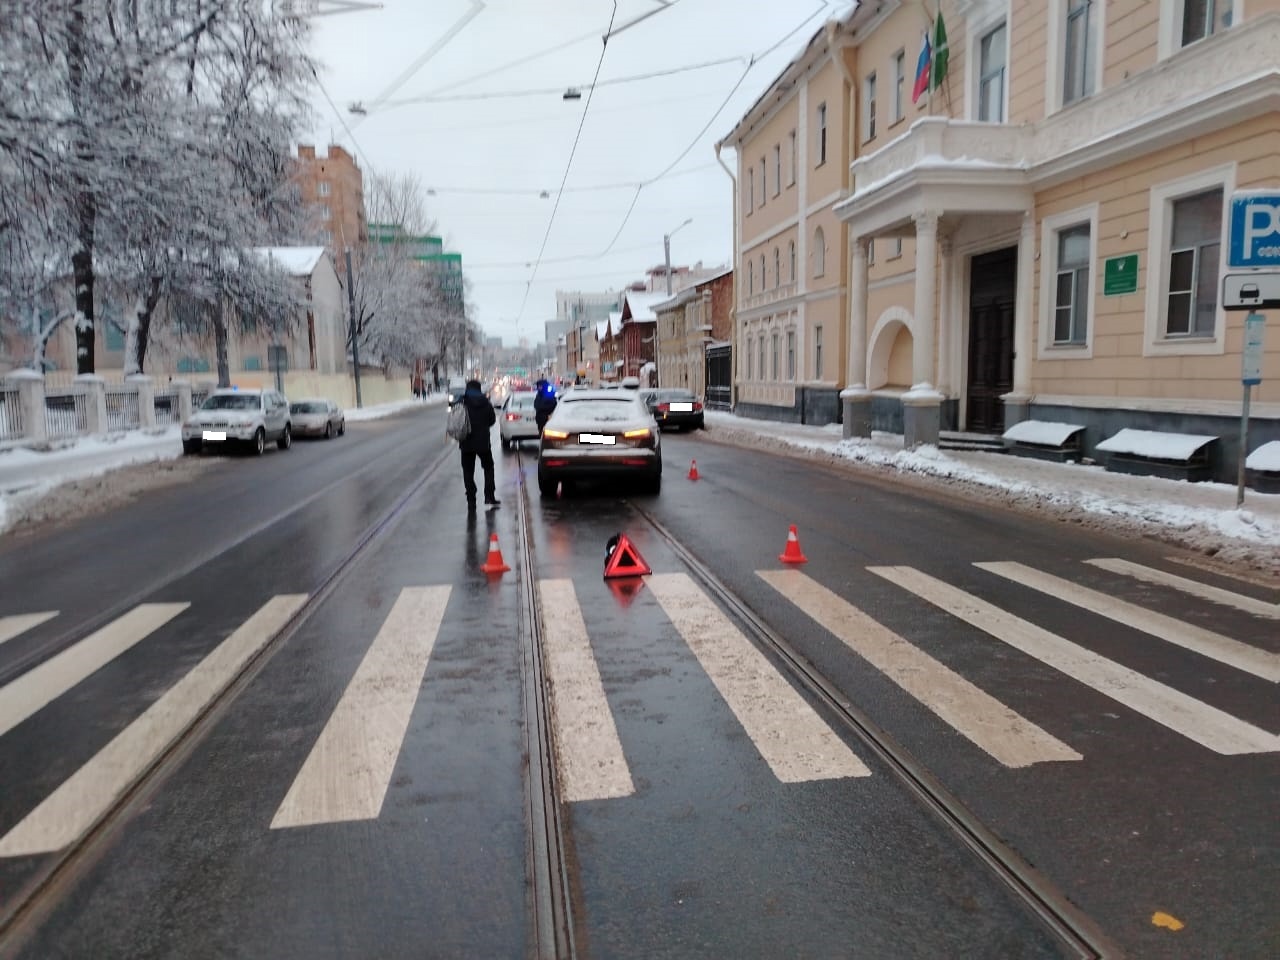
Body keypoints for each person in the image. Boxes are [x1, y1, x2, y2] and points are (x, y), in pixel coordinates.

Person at [458, 379, 499, 510]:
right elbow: (492, 420)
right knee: (488, 467)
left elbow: (456, 419)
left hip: (466, 442)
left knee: (468, 471)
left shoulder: (462, 402)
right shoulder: (485, 402)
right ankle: (489, 496)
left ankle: (471, 499)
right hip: (483, 443)